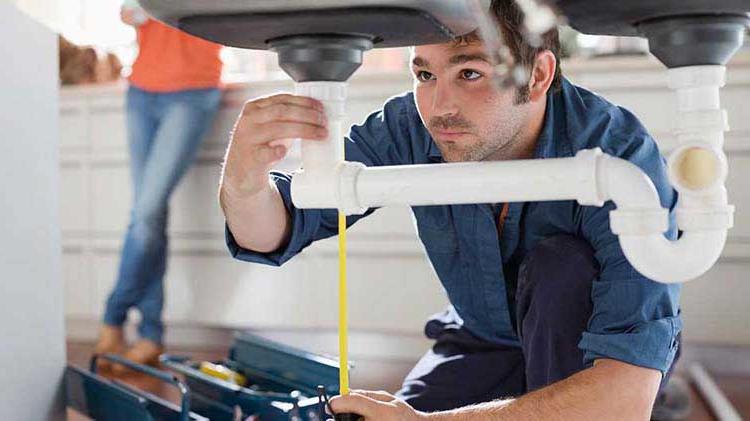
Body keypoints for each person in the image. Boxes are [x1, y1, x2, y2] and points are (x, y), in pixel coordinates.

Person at [219, 1, 684, 419]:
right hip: (482, 339)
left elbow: (624, 396)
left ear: (539, 76)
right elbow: (273, 230)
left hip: (592, 351)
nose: (439, 108)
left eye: (469, 73)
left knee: (560, 265)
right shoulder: (410, 126)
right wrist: (243, 183)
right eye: (425, 75)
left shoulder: (618, 155)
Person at [94, 1, 223, 368]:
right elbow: (128, 12)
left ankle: (112, 317)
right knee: (150, 216)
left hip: (192, 92)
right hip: (141, 91)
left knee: (146, 211)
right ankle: (150, 334)